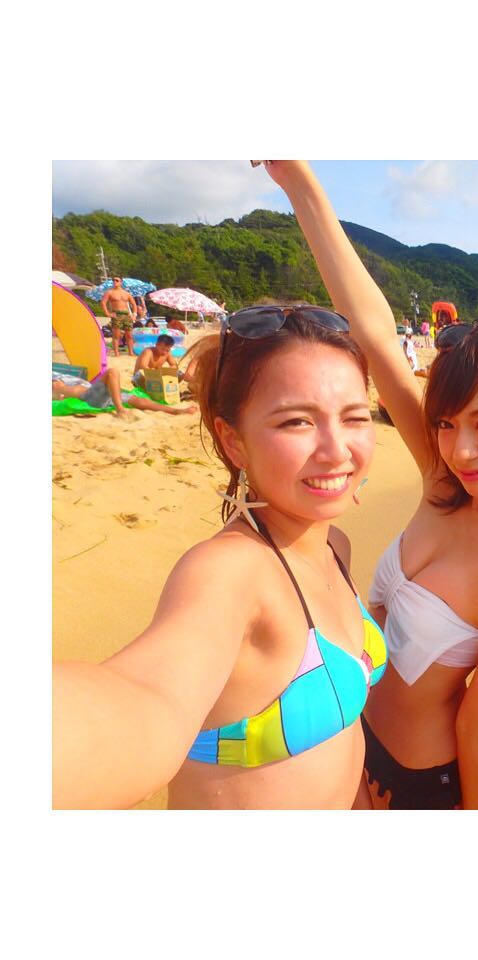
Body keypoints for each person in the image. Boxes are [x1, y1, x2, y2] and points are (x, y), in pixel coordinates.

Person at [263, 160, 478, 809]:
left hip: (418, 781)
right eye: (448, 423)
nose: (462, 448)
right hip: (345, 740)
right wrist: (299, 182)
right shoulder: (443, 477)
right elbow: (370, 330)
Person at [52, 307, 386, 808]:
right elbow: (146, 697)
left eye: (354, 417)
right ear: (234, 441)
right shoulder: (230, 572)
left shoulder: (334, 545)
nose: (336, 449)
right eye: (297, 421)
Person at [52, 367, 197, 419]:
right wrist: (58, 390)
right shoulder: (57, 386)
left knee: (142, 401)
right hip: (90, 397)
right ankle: (120, 410)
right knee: (112, 372)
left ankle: (176, 411)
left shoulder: (67, 381)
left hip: (103, 394)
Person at [101, 278, 137, 357]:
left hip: (126, 314)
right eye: (113, 280)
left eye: (117, 280)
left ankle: (130, 352)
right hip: (117, 314)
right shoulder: (110, 292)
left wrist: (134, 314)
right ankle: (116, 353)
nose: (115, 282)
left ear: (121, 282)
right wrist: (107, 313)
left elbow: (134, 304)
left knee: (129, 335)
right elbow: (103, 302)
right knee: (116, 335)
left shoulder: (126, 293)